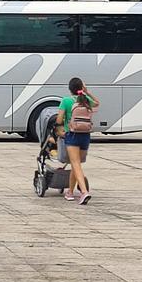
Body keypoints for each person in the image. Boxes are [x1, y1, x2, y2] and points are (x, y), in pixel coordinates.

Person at [56, 77, 99, 205]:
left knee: (75, 164)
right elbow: (97, 103)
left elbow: (59, 120)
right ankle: (69, 192)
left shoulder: (66, 101)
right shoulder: (85, 100)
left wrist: (60, 126)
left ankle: (84, 192)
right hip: (85, 135)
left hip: (72, 134)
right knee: (76, 164)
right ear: (81, 88)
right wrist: (87, 91)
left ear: (70, 89)